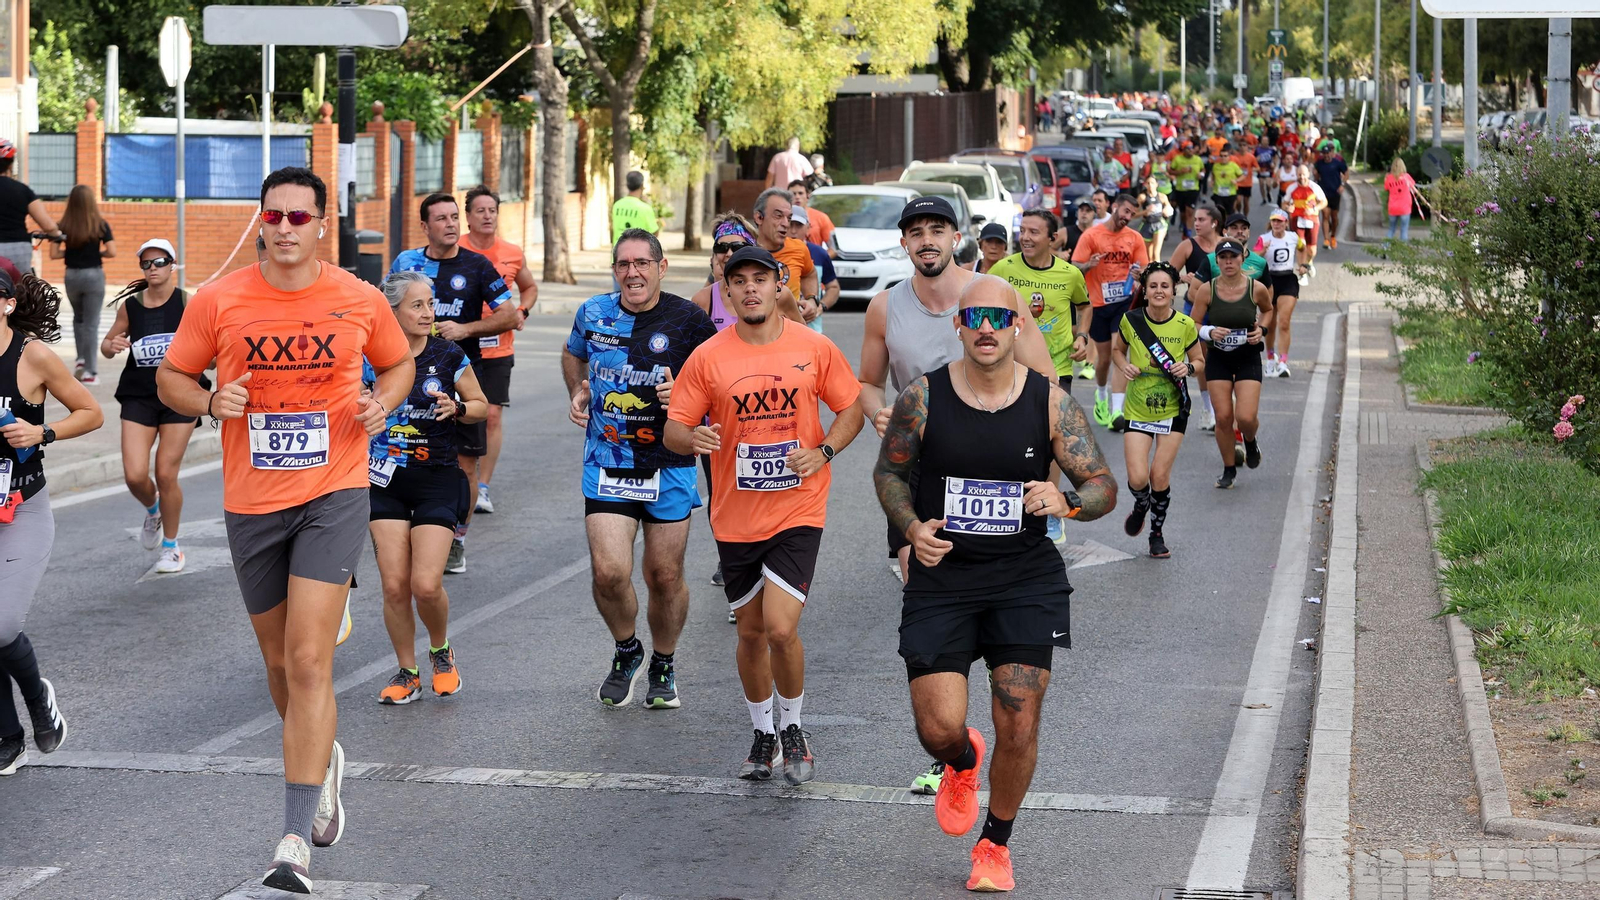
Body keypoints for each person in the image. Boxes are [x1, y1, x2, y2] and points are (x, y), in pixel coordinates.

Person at [158, 167, 415, 893]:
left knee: (308, 660)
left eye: (301, 218)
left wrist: (381, 401)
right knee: (278, 667)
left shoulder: (359, 300)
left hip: (334, 491)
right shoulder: (219, 300)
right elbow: (172, 380)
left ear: (323, 224)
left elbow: (398, 364)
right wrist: (212, 399)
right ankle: (323, 753)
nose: (286, 229)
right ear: (260, 221)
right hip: (252, 499)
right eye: (275, 216)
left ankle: (292, 839)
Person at [873, 275, 1117, 893]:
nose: (985, 328)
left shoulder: (1051, 403)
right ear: (958, 326)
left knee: (1019, 720)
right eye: (973, 317)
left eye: (997, 318)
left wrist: (1063, 500)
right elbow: (890, 474)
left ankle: (994, 843)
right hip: (942, 576)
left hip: (1025, 579)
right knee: (938, 728)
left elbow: (1102, 488)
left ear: (1017, 327)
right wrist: (909, 529)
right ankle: (961, 761)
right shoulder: (921, 398)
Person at [664, 245, 865, 785]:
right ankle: (762, 732)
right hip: (735, 515)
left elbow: (852, 408)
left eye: (760, 279)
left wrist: (823, 452)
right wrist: (694, 437)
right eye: (739, 281)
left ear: (779, 284)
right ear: (726, 291)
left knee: (779, 629)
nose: (750, 288)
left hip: (799, 505)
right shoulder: (708, 357)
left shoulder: (813, 347)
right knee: (750, 633)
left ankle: (793, 726)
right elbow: (674, 429)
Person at [566, 228, 717, 709]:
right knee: (609, 571)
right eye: (623, 264)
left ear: (661, 267)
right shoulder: (592, 313)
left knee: (664, 575)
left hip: (669, 463)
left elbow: (718, 382)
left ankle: (665, 661)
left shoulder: (688, 320)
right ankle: (627, 648)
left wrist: (690, 403)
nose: (632, 272)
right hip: (607, 458)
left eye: (641, 263)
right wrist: (580, 390)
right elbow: (574, 354)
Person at [368, 271, 488, 706]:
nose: (428, 312)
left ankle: (440, 651)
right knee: (394, 586)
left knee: (424, 584)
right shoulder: (368, 356)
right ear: (392, 311)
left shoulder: (447, 354)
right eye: (416, 305)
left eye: (430, 303)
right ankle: (407, 671)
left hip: (437, 478)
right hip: (383, 480)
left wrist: (457, 407)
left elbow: (481, 406)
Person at [0, 271, 103, 776]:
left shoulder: (31, 356)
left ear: (6, 305)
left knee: (1, 624)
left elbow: (91, 412)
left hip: (22, 509)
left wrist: (42, 432)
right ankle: (8, 735)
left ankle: (39, 697)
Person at [389, 192, 517, 575]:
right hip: (406, 373)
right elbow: (382, 308)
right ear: (424, 226)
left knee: (465, 464)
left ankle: (457, 539)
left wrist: (466, 328)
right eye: (440, 219)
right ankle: (413, 525)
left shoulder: (478, 265)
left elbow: (509, 314)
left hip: (461, 375)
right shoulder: (405, 263)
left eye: (453, 217)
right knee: (402, 450)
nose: (450, 224)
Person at [99, 239, 202, 574]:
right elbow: (106, 346)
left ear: (173, 264)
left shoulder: (188, 302)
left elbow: (210, 346)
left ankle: (172, 548)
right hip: (139, 395)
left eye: (159, 262)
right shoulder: (131, 306)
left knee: (165, 472)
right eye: (146, 264)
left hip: (180, 395)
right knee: (133, 475)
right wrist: (111, 344)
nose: (153, 269)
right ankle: (153, 510)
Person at [1109, 262, 1204, 557]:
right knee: (1138, 478)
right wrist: (1125, 366)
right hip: (1138, 406)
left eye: (1165, 286)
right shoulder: (1131, 320)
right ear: (1145, 291)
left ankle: (1156, 534)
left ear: (1174, 290)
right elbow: (1116, 351)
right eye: (1153, 286)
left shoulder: (1186, 325)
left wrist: (1187, 367)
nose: (1159, 291)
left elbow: (1200, 361)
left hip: (1173, 406)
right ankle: (1141, 503)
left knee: (1159, 475)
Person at [460, 184, 538, 516]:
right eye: (481, 210)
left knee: (491, 416)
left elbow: (529, 287)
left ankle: (483, 486)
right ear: (468, 217)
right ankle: (462, 477)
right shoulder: (455, 250)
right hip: (460, 347)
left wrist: (521, 312)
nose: (488, 216)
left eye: (492, 210)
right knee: (459, 416)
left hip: (498, 349)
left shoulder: (512, 252)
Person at [1186, 240, 1274, 491]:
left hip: (1247, 356)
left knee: (1245, 417)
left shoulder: (1255, 289)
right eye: (1222, 257)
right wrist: (1209, 331)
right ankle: (1228, 469)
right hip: (1219, 357)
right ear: (1217, 261)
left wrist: (1262, 329)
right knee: (1223, 417)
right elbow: (1193, 323)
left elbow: (1268, 310)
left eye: (1232, 257)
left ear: (1242, 258)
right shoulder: (1207, 290)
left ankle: (1250, 439)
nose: (1227, 262)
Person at [1073, 193, 1150, 429]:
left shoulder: (1134, 238)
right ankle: (1101, 393)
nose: (1127, 217)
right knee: (1104, 359)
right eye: (1125, 211)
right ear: (1114, 207)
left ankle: (1118, 411)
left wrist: (1140, 277)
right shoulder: (1092, 236)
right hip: (1097, 305)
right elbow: (1074, 267)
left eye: (1131, 214)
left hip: (1123, 304)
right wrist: (1088, 265)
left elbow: (1144, 268)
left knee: (1119, 352)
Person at [48, 185, 115, 385]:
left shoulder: (63, 225)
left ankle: (80, 360)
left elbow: (54, 254)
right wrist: (97, 254)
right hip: (93, 275)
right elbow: (112, 251)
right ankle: (91, 372)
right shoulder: (100, 225)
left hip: (72, 276)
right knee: (91, 324)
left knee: (79, 319)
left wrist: (71, 253)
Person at [1166, 204, 1221, 430]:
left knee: (1224, 358)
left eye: (1201, 220)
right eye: (1195, 220)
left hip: (1220, 308)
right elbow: (1166, 274)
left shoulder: (1225, 246)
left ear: (1214, 223)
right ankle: (1209, 410)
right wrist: (1182, 278)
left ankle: (1224, 406)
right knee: (1203, 360)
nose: (1196, 224)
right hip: (1194, 308)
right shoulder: (1188, 245)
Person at [751, 188, 821, 324]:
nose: (785, 224)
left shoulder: (799, 248)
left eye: (788, 218)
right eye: (778, 216)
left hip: (791, 333)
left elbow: (810, 273)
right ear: (759, 217)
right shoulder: (742, 252)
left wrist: (812, 299)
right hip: (753, 334)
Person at [1253, 209, 1309, 378]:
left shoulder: (1293, 237)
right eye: (1274, 221)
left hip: (1287, 280)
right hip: (1269, 281)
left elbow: (1302, 248)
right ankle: (1270, 359)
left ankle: (1283, 362)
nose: (1276, 224)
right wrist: (1263, 250)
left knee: (1284, 321)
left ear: (1286, 223)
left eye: (1279, 221)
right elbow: (1254, 258)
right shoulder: (1264, 239)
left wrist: (1303, 264)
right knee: (1270, 324)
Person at [0, 140, 61, 275]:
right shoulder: (22, 190)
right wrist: (57, 234)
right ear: (11, 165)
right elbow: (48, 225)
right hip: (17, 249)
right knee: (20, 290)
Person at [789, 206, 838, 332]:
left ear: (808, 228)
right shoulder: (774, 253)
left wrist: (820, 306)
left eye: (798, 225)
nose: (793, 231)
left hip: (812, 330)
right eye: (790, 225)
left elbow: (833, 287)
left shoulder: (819, 253)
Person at [1286, 165, 1328, 280]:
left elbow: (1324, 202)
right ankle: (1302, 273)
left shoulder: (1315, 187)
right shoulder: (1291, 188)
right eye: (1299, 174)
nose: (1302, 177)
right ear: (1296, 174)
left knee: (1311, 250)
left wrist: (1314, 209)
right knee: (1301, 246)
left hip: (1312, 220)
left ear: (1308, 174)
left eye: (1304, 174)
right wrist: (1288, 207)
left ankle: (1309, 263)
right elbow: (1284, 203)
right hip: (1296, 219)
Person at [1384, 157, 1429, 242]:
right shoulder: (1406, 177)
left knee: (1391, 229)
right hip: (1405, 208)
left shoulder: (1389, 178)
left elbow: (1386, 188)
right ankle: (1403, 252)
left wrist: (1386, 178)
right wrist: (1423, 199)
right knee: (1404, 231)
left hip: (1392, 207)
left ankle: (1385, 247)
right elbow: (1415, 190)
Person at [1313, 142, 1348, 249]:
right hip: (1323, 194)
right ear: (1322, 154)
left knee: (1334, 217)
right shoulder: (1319, 163)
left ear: (1331, 153)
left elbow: (1346, 173)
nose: (1326, 155)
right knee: (1325, 216)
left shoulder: (1337, 163)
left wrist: (1342, 185)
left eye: (1328, 153)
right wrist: (1316, 175)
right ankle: (1326, 239)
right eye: (1324, 153)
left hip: (1335, 193)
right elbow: (1316, 173)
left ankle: (1333, 236)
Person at [610, 170, 659, 244]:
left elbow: (613, 229)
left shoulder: (617, 205)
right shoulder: (645, 208)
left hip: (618, 253)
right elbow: (654, 233)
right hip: (637, 254)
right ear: (642, 185)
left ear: (627, 185)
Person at [1167, 141, 1204, 235]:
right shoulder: (1177, 159)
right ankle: (1184, 226)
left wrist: (1201, 174)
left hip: (1193, 189)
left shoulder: (1197, 159)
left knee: (1190, 212)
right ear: (1183, 150)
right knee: (1183, 213)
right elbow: (1170, 171)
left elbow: (1203, 169)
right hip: (1180, 189)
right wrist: (1180, 172)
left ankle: (1189, 232)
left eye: (1192, 148)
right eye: (1188, 149)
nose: (1191, 150)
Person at [788, 178, 835, 252]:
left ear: (808, 196)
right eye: (793, 194)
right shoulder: (782, 218)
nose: (797, 197)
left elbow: (834, 248)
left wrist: (820, 260)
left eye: (800, 193)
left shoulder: (822, 217)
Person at [1136, 174, 1174, 262]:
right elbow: (1133, 214)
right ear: (1145, 184)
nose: (1150, 185)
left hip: (1159, 224)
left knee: (1155, 254)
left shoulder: (1162, 196)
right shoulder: (1142, 197)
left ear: (1157, 184)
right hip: (1147, 225)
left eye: (1152, 183)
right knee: (1149, 257)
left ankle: (1158, 274)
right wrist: (1145, 212)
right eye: (1148, 183)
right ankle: (1150, 274)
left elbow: (1170, 209)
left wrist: (1166, 211)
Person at [1208, 146, 1243, 217]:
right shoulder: (1215, 166)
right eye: (1221, 156)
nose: (1223, 158)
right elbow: (1213, 175)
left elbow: (1242, 176)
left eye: (1225, 156)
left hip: (1230, 193)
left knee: (1230, 214)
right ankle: (1222, 227)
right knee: (1220, 212)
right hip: (1218, 193)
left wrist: (1236, 180)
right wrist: (1212, 181)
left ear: (1229, 157)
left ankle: (1227, 226)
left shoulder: (1233, 166)